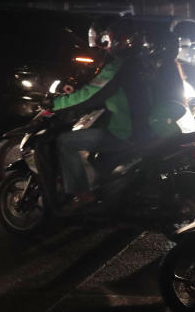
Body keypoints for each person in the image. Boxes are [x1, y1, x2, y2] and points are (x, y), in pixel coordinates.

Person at [51, 20, 152, 212]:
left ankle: (83, 194)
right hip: (140, 126)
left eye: (107, 41)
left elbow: (94, 92)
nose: (104, 46)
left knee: (66, 141)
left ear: (119, 41)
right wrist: (76, 89)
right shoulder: (138, 62)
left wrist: (55, 104)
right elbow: (99, 87)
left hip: (127, 131)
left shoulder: (120, 66)